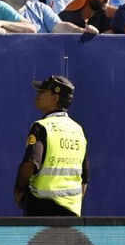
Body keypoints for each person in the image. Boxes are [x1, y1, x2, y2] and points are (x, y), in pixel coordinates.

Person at [15, 75, 87, 217]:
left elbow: (30, 163)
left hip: (41, 208)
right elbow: (84, 178)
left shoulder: (41, 127)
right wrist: (73, 203)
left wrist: (19, 189)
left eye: (42, 92)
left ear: (54, 98)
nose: (38, 94)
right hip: (72, 212)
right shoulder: (78, 130)